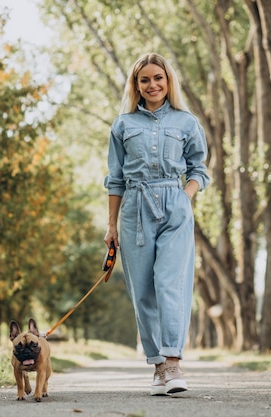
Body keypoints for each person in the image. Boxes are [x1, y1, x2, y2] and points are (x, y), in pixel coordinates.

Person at [103, 53, 210, 396]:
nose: (153, 85)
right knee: (143, 292)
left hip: (174, 206)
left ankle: (174, 361)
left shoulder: (186, 122)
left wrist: (184, 197)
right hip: (134, 208)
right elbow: (115, 180)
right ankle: (158, 366)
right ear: (136, 85)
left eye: (158, 78)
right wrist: (112, 226)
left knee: (170, 284)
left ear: (169, 81)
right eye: (145, 79)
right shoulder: (122, 125)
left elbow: (199, 170)